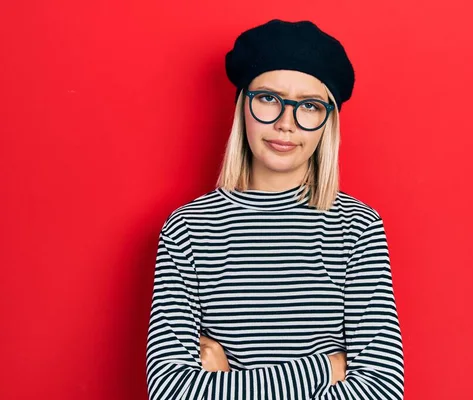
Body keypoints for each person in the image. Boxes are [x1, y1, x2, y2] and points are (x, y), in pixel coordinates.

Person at [146, 19, 404, 399]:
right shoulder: (189, 228)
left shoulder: (357, 227)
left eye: (310, 106)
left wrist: (226, 383)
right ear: (243, 107)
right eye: (269, 99)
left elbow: (381, 389)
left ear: (327, 122)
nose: (286, 124)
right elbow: (170, 390)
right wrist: (326, 368)